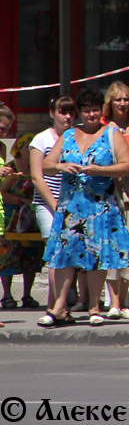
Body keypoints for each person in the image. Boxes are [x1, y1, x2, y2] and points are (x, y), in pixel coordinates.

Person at [38, 87, 129, 328]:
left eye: (94, 110)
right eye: (86, 111)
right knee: (63, 256)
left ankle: (94, 306)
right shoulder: (70, 135)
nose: (91, 115)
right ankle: (58, 308)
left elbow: (126, 166)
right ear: (79, 113)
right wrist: (63, 166)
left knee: (96, 257)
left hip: (100, 207)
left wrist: (100, 170)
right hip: (71, 206)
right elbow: (47, 165)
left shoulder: (112, 133)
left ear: (100, 111)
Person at [29, 96, 77, 316]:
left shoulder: (77, 137)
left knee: (66, 255)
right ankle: (54, 307)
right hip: (48, 204)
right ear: (52, 113)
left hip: (72, 204)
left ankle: (61, 305)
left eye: (71, 112)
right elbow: (37, 177)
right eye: (62, 112)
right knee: (55, 252)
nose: (67, 117)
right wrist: (55, 205)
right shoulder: (41, 140)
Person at [101, 82, 129, 320]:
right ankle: (113, 302)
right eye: (118, 99)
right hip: (108, 186)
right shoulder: (104, 128)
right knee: (111, 243)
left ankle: (125, 301)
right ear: (110, 103)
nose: (123, 103)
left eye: (126, 99)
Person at [0, 133, 43, 311]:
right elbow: (2, 193)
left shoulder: (38, 168)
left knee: (31, 256)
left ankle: (27, 294)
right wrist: (23, 202)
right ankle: (7, 295)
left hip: (32, 220)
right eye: (28, 146)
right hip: (12, 218)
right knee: (8, 257)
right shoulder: (10, 168)